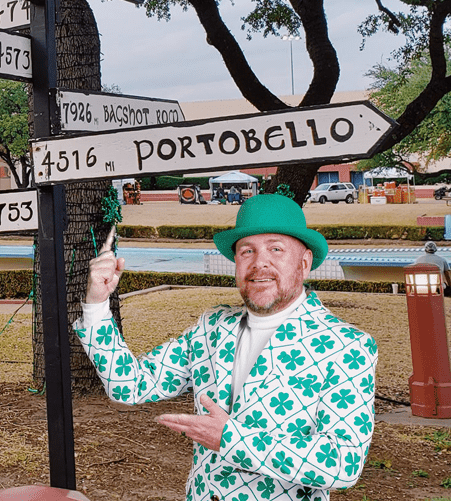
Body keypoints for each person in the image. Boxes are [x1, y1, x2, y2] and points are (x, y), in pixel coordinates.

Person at [76, 193, 378, 501]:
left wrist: (231, 439)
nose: (260, 262)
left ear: (304, 263)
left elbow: (343, 462)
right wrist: (97, 304)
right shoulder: (213, 327)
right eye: (247, 250)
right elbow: (130, 385)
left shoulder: (346, 346)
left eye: (276, 248)